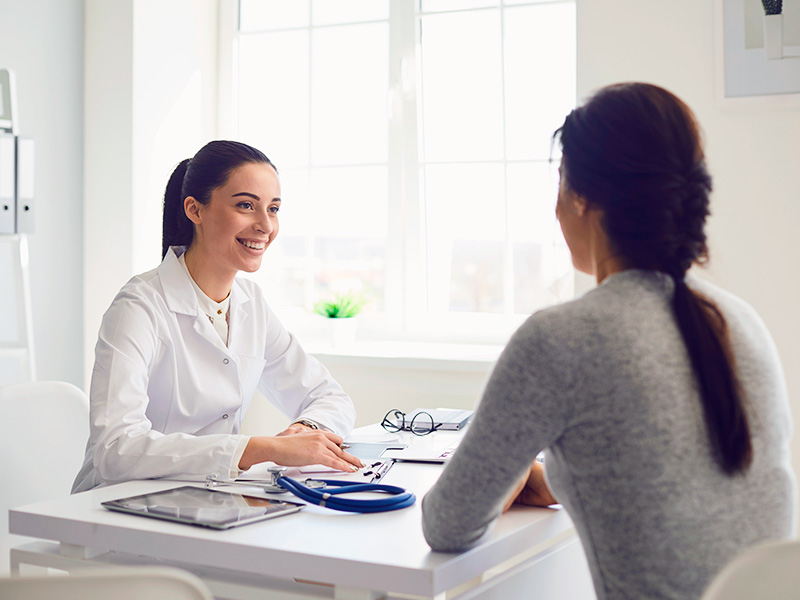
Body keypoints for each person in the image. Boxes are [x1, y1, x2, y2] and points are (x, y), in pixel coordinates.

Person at [421, 83, 797, 599]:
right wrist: (561, 475)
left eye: (559, 184)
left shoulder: (561, 339)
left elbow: (447, 524)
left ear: (581, 199)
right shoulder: (739, 321)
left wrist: (508, 479)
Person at [73, 140, 361, 493]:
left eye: (273, 209)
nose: (265, 226)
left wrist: (306, 430)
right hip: (116, 506)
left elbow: (330, 397)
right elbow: (116, 450)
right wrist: (260, 448)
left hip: (206, 498)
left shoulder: (249, 303)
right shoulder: (139, 306)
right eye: (246, 205)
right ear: (195, 210)